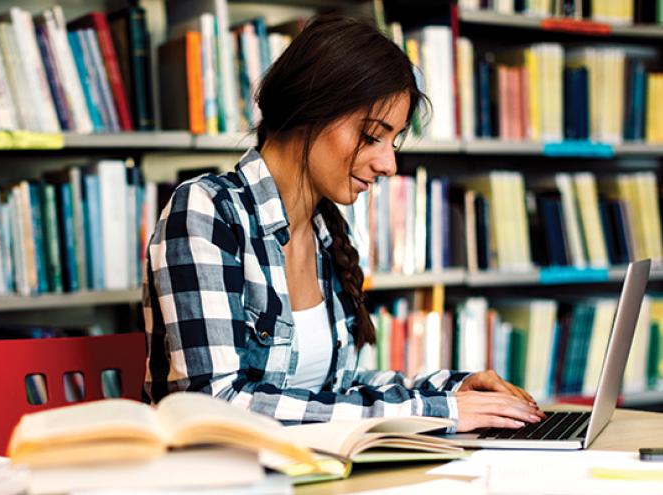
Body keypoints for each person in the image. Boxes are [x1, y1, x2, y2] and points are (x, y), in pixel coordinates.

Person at [142, 15, 545, 432]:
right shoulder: (207, 212)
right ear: (309, 111)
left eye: (394, 141)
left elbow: (333, 391)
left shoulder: (326, 231)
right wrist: (434, 413)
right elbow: (216, 406)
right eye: (372, 136)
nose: (388, 164)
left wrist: (452, 391)